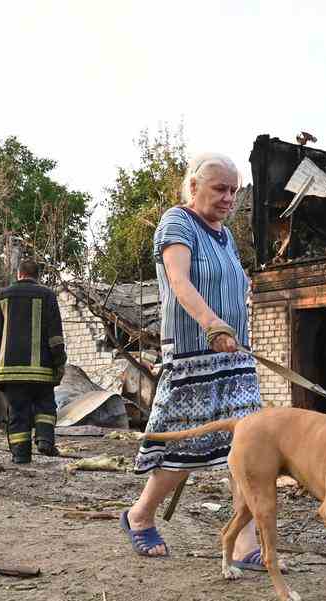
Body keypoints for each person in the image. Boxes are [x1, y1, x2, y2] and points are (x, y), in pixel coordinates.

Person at [123, 152, 273, 570]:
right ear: (194, 187)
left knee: (248, 449)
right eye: (220, 189)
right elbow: (178, 281)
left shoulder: (224, 235)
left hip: (235, 360)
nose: (229, 198)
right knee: (182, 448)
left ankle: (243, 542)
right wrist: (211, 324)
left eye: (234, 190)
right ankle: (140, 515)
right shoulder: (177, 222)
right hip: (193, 357)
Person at [0, 259, 67, 464]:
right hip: (42, 371)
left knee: (18, 412)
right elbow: (55, 337)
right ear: (37, 276)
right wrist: (59, 363)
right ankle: (45, 440)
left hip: (11, 373)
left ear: (19, 274)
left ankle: (21, 456)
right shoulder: (47, 295)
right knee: (45, 406)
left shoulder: (2, 297)